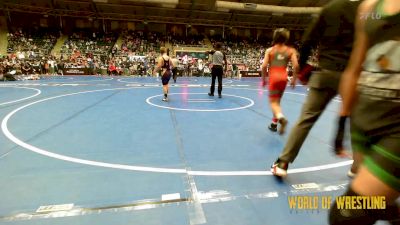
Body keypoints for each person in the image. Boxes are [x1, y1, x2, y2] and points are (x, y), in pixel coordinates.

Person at [270, 0, 361, 177]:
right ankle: (357, 166)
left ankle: (283, 164)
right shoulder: (368, 10)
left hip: (326, 72)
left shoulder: (330, 9)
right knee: (358, 121)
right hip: (353, 75)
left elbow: (308, 41)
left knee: (306, 119)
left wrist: (303, 70)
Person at [329, 0, 400, 224]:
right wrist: (343, 121)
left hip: (396, 127)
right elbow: (354, 68)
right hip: (365, 122)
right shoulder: (369, 8)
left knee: (347, 214)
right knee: (381, 201)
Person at [261, 28, 298, 135]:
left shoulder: (270, 50)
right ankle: (274, 124)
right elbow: (296, 66)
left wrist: (264, 80)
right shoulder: (291, 51)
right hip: (283, 78)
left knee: (273, 102)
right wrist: (294, 79)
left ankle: (282, 119)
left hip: (274, 77)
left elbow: (264, 66)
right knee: (277, 102)